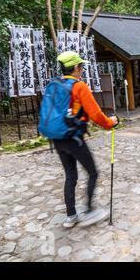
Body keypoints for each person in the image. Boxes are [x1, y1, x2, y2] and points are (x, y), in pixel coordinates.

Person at [42, 51, 119, 229]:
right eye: (81, 66)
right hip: (74, 138)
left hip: (57, 138)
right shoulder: (79, 87)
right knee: (93, 172)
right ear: (76, 67)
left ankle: (71, 216)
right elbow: (95, 114)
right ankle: (89, 210)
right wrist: (111, 123)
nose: (82, 69)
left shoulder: (53, 84)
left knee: (71, 175)